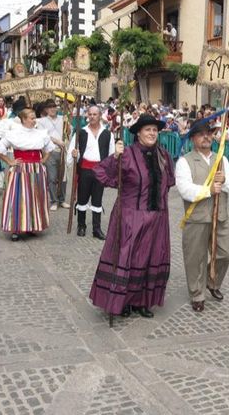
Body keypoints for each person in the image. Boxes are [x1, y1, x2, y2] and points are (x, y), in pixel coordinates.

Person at [89, 114, 176, 319]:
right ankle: (124, 302)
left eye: (155, 130)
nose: (152, 133)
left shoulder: (164, 156)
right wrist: (115, 157)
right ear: (138, 133)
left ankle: (143, 302)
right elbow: (101, 173)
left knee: (150, 257)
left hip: (157, 217)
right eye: (148, 130)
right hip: (130, 216)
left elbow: (169, 183)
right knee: (128, 258)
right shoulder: (126, 154)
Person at [176, 121, 229, 312]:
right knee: (195, 257)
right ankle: (197, 294)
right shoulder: (185, 161)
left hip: (219, 216)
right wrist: (209, 190)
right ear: (193, 139)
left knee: (225, 253)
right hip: (196, 217)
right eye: (201, 134)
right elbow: (184, 189)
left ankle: (212, 282)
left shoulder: (221, 159)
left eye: (209, 134)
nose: (206, 137)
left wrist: (225, 180)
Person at [0, 108, 55, 242]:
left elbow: (49, 148)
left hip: (36, 169)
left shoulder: (40, 133)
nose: (34, 120)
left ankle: (32, 225)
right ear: (23, 120)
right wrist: (10, 161)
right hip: (20, 169)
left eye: (34, 117)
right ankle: (16, 228)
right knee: (18, 198)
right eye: (31, 118)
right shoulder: (14, 134)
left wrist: (43, 160)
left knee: (35, 197)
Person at [67, 105, 115, 239]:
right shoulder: (81, 132)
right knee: (82, 198)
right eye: (90, 114)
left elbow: (111, 154)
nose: (92, 117)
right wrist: (74, 154)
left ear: (100, 116)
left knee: (97, 199)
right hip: (84, 170)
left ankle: (96, 228)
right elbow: (72, 150)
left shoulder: (107, 134)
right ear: (87, 115)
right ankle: (81, 226)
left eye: (95, 114)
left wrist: (110, 172)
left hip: (100, 171)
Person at [36, 100, 69, 211]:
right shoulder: (41, 121)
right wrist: (57, 141)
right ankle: (54, 201)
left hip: (63, 150)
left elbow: (68, 132)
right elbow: (43, 135)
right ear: (46, 109)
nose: (52, 109)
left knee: (63, 177)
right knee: (52, 177)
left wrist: (67, 124)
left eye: (54, 107)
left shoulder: (62, 118)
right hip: (50, 151)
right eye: (50, 107)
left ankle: (62, 200)